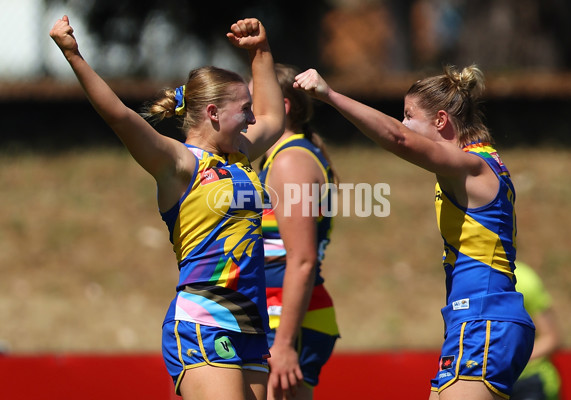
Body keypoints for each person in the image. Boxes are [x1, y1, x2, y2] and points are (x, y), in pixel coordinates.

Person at [50, 15, 285, 400]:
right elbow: (119, 116)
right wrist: (73, 55)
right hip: (204, 321)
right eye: (244, 109)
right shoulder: (179, 164)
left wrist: (260, 51)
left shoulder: (240, 153)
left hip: (250, 323)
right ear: (212, 113)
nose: (252, 117)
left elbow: (274, 118)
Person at [293, 65, 535, 400]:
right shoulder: (477, 161)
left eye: (408, 115)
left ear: (440, 120)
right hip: (475, 318)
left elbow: (397, 138)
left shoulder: (472, 166)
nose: (403, 123)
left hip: (483, 316)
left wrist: (330, 96)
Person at [257, 64, 340, 400]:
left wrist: (285, 344)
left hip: (289, 323)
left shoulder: (291, 161)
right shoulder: (279, 157)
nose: (246, 110)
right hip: (279, 317)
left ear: (283, 106)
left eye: (250, 100)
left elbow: (303, 260)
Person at [512, 261, 562, 400]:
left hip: (530, 382)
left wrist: (511, 360)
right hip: (485, 379)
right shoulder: (466, 278)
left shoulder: (524, 280)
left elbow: (551, 338)